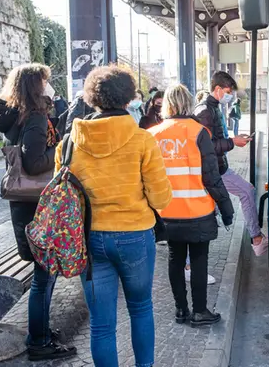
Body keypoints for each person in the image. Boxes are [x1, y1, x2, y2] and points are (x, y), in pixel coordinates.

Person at [54, 65, 173, 367]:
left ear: (92, 97)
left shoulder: (68, 143)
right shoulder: (142, 140)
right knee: (141, 308)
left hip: (89, 240)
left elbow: (63, 198)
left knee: (101, 323)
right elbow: (161, 199)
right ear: (129, 97)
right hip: (135, 236)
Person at [0, 64, 76, 361]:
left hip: (23, 205)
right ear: (34, 86)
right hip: (39, 207)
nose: (48, 87)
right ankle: (38, 341)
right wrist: (61, 150)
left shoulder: (14, 116)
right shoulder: (35, 117)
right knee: (44, 276)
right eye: (45, 82)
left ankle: (41, 331)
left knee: (44, 274)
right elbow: (34, 162)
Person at [150, 84, 235, 327]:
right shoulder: (199, 133)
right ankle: (200, 312)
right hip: (198, 211)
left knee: (175, 259)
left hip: (166, 212)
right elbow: (212, 176)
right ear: (188, 103)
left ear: (167, 104)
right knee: (199, 260)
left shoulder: (152, 134)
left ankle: (180, 310)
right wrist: (227, 210)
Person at [195, 71, 267, 256]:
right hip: (213, 171)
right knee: (243, 193)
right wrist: (233, 142)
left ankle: (256, 238)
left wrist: (234, 139)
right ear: (218, 89)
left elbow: (217, 140)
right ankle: (256, 239)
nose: (230, 96)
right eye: (228, 92)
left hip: (219, 168)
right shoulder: (205, 111)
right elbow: (206, 146)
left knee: (245, 192)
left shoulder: (213, 108)